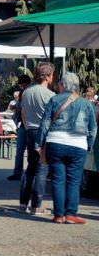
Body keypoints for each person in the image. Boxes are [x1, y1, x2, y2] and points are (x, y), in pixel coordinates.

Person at [36, 72, 97, 224]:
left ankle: (58, 215)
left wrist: (39, 143)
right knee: (74, 180)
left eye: (60, 84)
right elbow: (93, 128)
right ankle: (71, 214)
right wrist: (88, 145)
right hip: (78, 145)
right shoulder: (86, 103)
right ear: (76, 87)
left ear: (63, 85)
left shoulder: (54, 99)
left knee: (57, 180)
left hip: (55, 142)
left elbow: (44, 123)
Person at [20, 61, 55, 214]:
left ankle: (23, 203)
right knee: (42, 169)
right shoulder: (50, 95)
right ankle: (36, 204)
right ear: (48, 76)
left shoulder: (27, 91)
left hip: (30, 129)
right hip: (43, 131)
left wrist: (27, 126)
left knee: (30, 168)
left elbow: (22, 112)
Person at [7, 74, 32, 181]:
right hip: (33, 125)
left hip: (24, 125)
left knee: (20, 151)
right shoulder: (33, 91)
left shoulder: (24, 93)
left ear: (22, 84)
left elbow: (20, 108)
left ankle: (18, 173)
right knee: (32, 151)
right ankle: (31, 173)